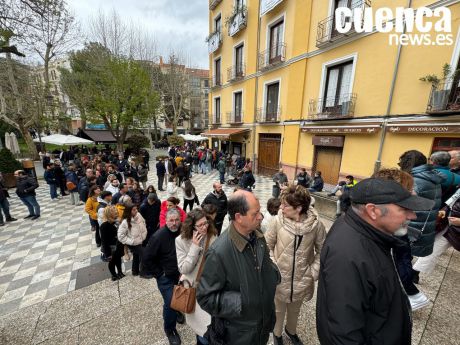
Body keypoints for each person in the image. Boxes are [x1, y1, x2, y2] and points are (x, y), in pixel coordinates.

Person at [316, 178, 434, 345]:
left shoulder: (363, 230)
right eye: (404, 209)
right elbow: (342, 332)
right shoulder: (348, 255)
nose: (412, 215)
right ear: (372, 211)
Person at [197, 190, 281, 345]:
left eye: (260, 212)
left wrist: (274, 275)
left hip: (262, 326)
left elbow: (263, 263)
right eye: (255, 214)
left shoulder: (258, 235)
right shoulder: (218, 252)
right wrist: (241, 301)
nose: (261, 217)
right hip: (239, 335)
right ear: (238, 217)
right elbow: (205, 297)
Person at [265, 185, 326, 345]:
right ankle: (277, 335)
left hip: (302, 280)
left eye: (285, 205)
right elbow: (267, 245)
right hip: (279, 279)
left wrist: (313, 272)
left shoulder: (316, 225)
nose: (281, 207)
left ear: (298, 208)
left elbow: (322, 251)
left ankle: (290, 331)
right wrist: (274, 268)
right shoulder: (277, 220)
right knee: (278, 311)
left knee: (295, 310)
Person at [399, 150, 443, 294]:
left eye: (401, 163)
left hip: (412, 228)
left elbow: (404, 205)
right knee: (405, 260)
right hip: (422, 227)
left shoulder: (415, 180)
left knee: (400, 261)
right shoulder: (432, 177)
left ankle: (405, 292)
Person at [175, 208, 217, 345]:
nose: (205, 227)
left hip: (212, 286)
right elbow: (183, 268)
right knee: (202, 329)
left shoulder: (212, 235)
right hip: (194, 288)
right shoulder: (180, 241)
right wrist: (194, 247)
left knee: (213, 326)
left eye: (206, 223)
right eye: (200, 225)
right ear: (192, 226)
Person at [143, 208, 183, 345]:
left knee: (179, 298)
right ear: (166, 221)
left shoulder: (183, 231)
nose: (174, 223)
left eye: (177, 220)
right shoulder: (158, 237)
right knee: (170, 303)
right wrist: (160, 274)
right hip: (166, 277)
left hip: (180, 274)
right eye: (171, 220)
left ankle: (177, 311)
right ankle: (170, 330)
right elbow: (147, 259)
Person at [117, 203, 147, 276]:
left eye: (136, 209)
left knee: (136, 256)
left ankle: (135, 271)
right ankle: (143, 273)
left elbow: (143, 222)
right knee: (145, 255)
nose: (136, 211)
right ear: (129, 211)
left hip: (140, 240)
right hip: (133, 244)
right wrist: (131, 241)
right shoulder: (125, 222)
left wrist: (143, 233)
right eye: (134, 210)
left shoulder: (138, 215)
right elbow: (120, 236)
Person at [100, 206, 125, 281]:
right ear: (109, 214)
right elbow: (104, 241)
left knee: (118, 259)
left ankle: (120, 272)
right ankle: (113, 275)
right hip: (110, 247)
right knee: (112, 261)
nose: (117, 212)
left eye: (116, 211)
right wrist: (108, 253)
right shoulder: (104, 226)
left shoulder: (117, 222)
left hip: (118, 245)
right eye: (115, 212)